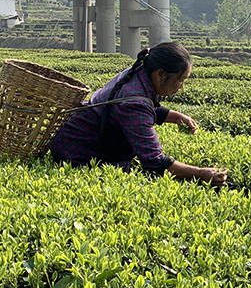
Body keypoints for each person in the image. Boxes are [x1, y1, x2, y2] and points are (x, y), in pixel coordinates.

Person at [50, 42, 227, 187]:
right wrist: (201, 173)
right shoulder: (134, 103)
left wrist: (176, 117)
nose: (181, 87)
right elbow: (154, 160)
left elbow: (146, 109)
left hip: (72, 142)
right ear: (160, 74)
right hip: (78, 157)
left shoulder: (140, 72)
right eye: (180, 80)